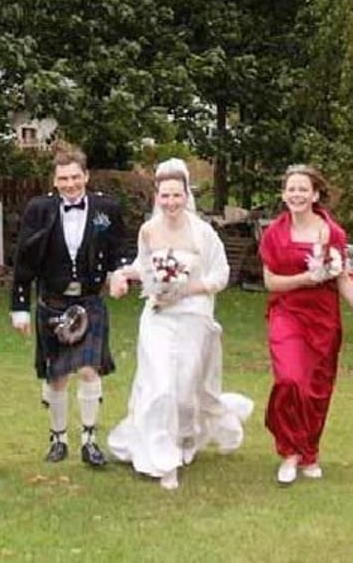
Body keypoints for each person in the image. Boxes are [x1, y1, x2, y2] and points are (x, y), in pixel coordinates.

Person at [106, 158, 253, 490]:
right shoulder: (149, 230)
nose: (171, 202)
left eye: (177, 195)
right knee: (160, 386)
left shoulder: (203, 233)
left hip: (193, 315)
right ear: (157, 197)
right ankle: (162, 458)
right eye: (165, 196)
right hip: (158, 315)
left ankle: (186, 437)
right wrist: (121, 276)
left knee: (185, 389)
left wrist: (185, 290)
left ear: (187, 195)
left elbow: (220, 275)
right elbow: (143, 266)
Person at [259, 164, 353, 485]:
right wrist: (305, 279)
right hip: (287, 313)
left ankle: (309, 453)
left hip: (323, 318)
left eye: (303, 189)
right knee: (289, 380)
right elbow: (271, 282)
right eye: (291, 189)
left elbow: (343, 279)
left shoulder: (333, 232)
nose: (297, 194)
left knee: (316, 389)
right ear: (284, 195)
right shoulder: (274, 234)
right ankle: (289, 452)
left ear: (314, 195)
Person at [10, 144, 127, 467]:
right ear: (55, 180)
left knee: (89, 369)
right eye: (63, 178)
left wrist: (119, 275)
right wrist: (20, 306)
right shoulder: (39, 209)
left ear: (86, 176)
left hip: (89, 301)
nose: (70, 184)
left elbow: (119, 250)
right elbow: (23, 260)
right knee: (57, 375)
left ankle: (89, 440)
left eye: (75, 177)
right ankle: (58, 439)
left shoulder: (107, 208)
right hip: (53, 302)